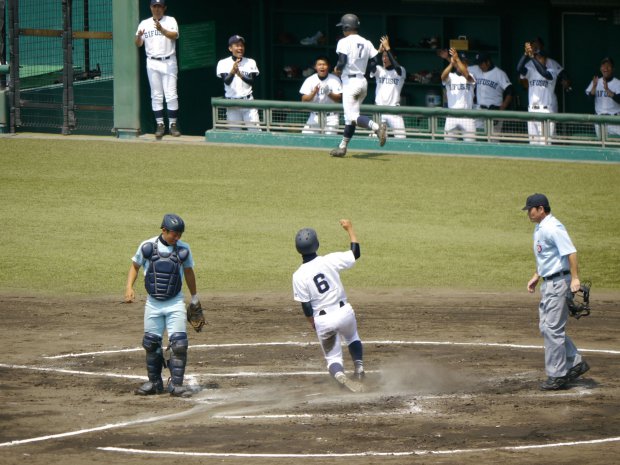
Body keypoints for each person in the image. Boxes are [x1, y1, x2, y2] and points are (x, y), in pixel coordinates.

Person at [125, 213, 200, 398]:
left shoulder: (184, 249)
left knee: (179, 345)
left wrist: (195, 297)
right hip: (153, 303)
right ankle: (154, 383)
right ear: (164, 230)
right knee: (151, 343)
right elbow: (135, 266)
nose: (177, 238)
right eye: (174, 234)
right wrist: (129, 288)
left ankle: (176, 385)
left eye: (180, 234)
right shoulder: (148, 246)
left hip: (175, 302)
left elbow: (189, 273)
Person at [523, 193, 590, 391]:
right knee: (547, 327)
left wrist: (575, 278)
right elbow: (547, 256)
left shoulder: (553, 227)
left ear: (541, 208)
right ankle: (575, 362)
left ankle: (558, 375)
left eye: (531, 209)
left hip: (559, 282)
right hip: (549, 282)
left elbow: (570, 252)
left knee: (553, 329)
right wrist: (537, 274)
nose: (529, 213)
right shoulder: (540, 227)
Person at [292, 219, 365, 392]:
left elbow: (306, 306)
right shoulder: (330, 260)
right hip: (344, 312)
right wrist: (350, 229)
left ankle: (340, 375)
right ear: (316, 244)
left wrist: (313, 323)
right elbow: (355, 253)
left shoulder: (298, 275)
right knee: (352, 336)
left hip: (324, 320)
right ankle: (359, 368)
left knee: (333, 359)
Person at [330, 13, 387, 158]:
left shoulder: (344, 41)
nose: (342, 30)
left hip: (350, 83)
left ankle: (376, 127)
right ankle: (342, 147)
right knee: (350, 118)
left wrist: (337, 69)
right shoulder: (366, 42)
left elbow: (342, 61)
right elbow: (375, 60)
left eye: (343, 27)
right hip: (362, 82)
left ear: (346, 27)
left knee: (353, 116)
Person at [135, 0, 181, 139]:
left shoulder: (170, 20)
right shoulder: (144, 23)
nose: (157, 9)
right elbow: (138, 44)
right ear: (150, 8)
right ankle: (160, 124)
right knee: (156, 95)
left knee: (171, 94)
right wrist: (138, 36)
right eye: (154, 6)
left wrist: (162, 30)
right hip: (152, 62)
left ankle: (173, 125)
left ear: (164, 8)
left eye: (159, 6)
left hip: (168, 61)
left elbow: (175, 35)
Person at [216, 34, 261, 131]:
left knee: (255, 133)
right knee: (234, 134)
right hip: (232, 103)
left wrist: (240, 74)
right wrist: (232, 72)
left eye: (242, 45)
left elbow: (251, 81)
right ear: (230, 48)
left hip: (248, 102)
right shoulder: (223, 63)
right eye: (236, 45)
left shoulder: (250, 62)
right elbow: (226, 81)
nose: (240, 48)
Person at [517, 42, 558, 145]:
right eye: (536, 57)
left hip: (545, 112)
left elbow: (543, 73)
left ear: (545, 60)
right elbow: (519, 68)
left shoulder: (552, 71)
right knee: (533, 145)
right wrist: (525, 54)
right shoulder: (531, 72)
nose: (538, 59)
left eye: (540, 57)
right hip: (532, 111)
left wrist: (532, 58)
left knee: (545, 146)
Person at [369, 35, 406, 139]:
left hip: (394, 111)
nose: (384, 59)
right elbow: (371, 66)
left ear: (393, 58)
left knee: (401, 138)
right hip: (379, 110)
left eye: (387, 56)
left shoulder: (400, 71)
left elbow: (397, 67)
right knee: (373, 138)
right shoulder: (379, 70)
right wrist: (379, 52)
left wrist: (388, 48)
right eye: (383, 57)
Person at [521, 37, 571, 113]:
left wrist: (566, 82)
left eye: (537, 46)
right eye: (533, 46)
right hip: (533, 104)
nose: (535, 48)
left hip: (548, 104)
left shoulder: (551, 66)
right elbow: (521, 75)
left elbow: (562, 74)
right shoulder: (529, 65)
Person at [470, 52, 514, 134]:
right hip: (479, 110)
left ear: (488, 62)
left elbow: (510, 91)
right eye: (478, 63)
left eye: (481, 63)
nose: (480, 66)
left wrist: (502, 108)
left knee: (493, 140)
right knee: (478, 137)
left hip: (494, 110)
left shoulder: (499, 73)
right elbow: (462, 68)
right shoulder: (476, 69)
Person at [299, 56, 342, 135]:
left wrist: (329, 93)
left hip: (331, 116)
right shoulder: (310, 80)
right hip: (314, 116)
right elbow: (303, 99)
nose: (322, 67)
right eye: (319, 65)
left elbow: (339, 98)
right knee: (306, 138)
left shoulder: (335, 80)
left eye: (324, 64)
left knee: (329, 141)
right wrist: (313, 92)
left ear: (328, 66)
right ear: (315, 67)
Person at [440, 48, 476, 142]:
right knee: (448, 145)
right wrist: (452, 63)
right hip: (452, 115)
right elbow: (443, 77)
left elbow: (467, 75)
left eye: (465, 62)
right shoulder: (450, 76)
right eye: (462, 62)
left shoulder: (471, 75)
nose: (464, 64)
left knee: (471, 146)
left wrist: (458, 59)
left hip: (467, 115)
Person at [585, 57, 620, 138]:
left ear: (613, 69)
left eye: (608, 66)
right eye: (603, 66)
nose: (606, 68)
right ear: (600, 69)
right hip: (599, 120)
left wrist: (609, 91)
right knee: (602, 147)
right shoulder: (596, 82)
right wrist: (594, 87)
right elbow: (589, 100)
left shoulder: (618, 83)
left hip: (615, 120)